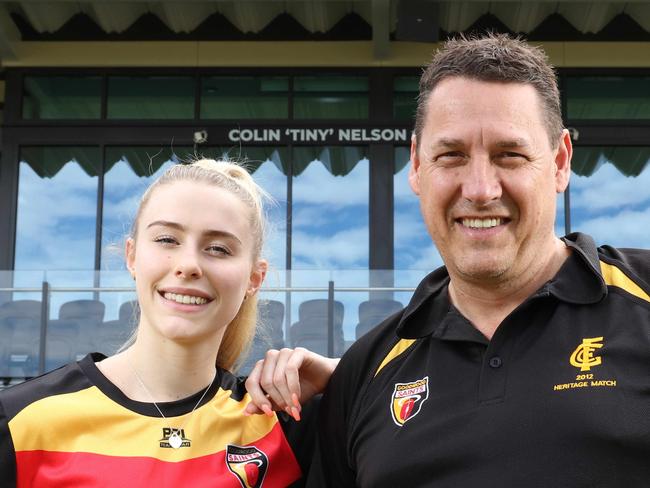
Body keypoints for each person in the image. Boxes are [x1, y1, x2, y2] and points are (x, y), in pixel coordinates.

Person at [307, 34, 650, 487]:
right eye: (452, 155)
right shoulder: (364, 371)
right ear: (415, 165)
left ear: (561, 161)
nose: (480, 190)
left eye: (510, 155)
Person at [0, 159, 336, 487]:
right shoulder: (21, 421)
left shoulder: (283, 428)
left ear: (254, 278)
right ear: (132, 256)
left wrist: (340, 377)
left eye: (218, 248)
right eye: (167, 240)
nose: (189, 264)